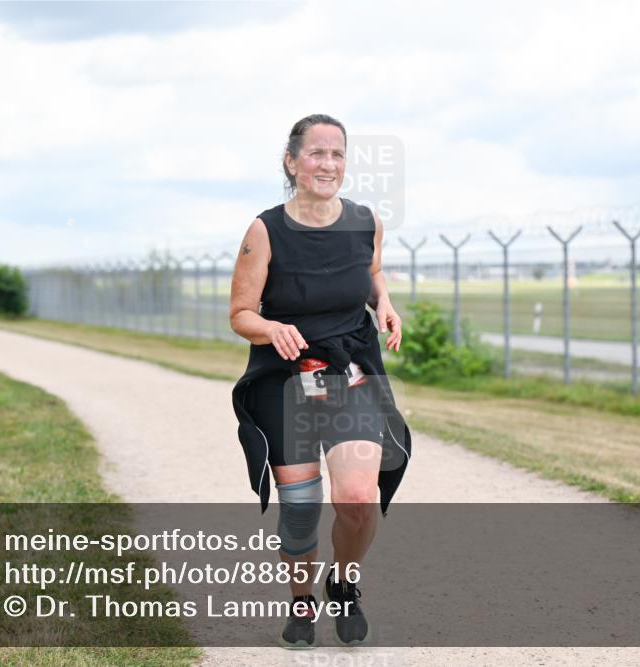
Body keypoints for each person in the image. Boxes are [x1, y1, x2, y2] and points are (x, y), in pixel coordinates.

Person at [229, 114, 411, 649]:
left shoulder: (364, 221)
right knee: (302, 513)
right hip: (286, 383)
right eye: (316, 153)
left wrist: (385, 303)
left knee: (357, 498)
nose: (328, 164)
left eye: (337, 154)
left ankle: (345, 584)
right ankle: (302, 599)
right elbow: (240, 313)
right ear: (291, 162)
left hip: (350, 375)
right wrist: (271, 327)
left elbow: (371, 271)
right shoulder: (265, 230)